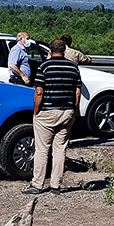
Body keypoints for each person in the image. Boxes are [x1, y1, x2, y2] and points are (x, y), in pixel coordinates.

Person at [24, 39, 81, 194]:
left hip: (47, 112)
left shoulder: (44, 67)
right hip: (67, 112)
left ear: (50, 50)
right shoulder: (73, 67)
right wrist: (74, 110)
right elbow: (77, 92)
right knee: (60, 149)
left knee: (42, 149)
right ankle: (56, 185)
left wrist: (36, 111)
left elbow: (39, 92)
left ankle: (37, 184)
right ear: (64, 50)